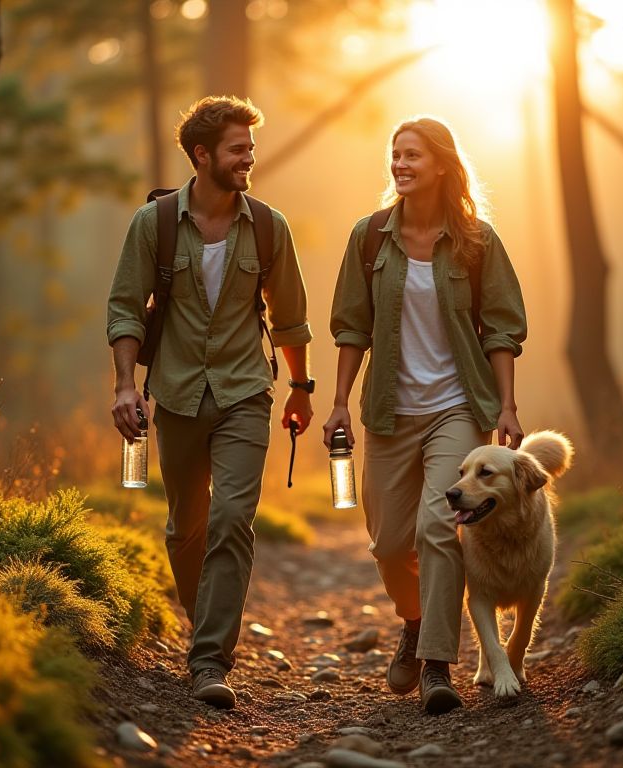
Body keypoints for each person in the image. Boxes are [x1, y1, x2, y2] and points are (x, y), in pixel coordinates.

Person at [107, 96, 314, 709]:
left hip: (246, 390)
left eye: (250, 148)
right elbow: (124, 306)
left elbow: (292, 320)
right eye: (237, 149)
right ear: (202, 155)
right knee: (186, 528)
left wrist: (300, 392)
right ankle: (206, 630)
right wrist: (123, 385)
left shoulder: (271, 227)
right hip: (173, 393)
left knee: (232, 518)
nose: (248, 158)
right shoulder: (155, 224)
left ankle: (209, 659)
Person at [323, 117, 528, 714]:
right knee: (389, 542)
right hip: (388, 410)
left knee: (440, 527)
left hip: (457, 407)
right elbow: (350, 326)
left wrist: (507, 405)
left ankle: (437, 664)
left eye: (412, 154)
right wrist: (338, 400)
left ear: (441, 164)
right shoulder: (369, 239)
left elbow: (503, 327)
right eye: (395, 154)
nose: (400, 163)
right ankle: (414, 623)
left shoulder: (477, 240)